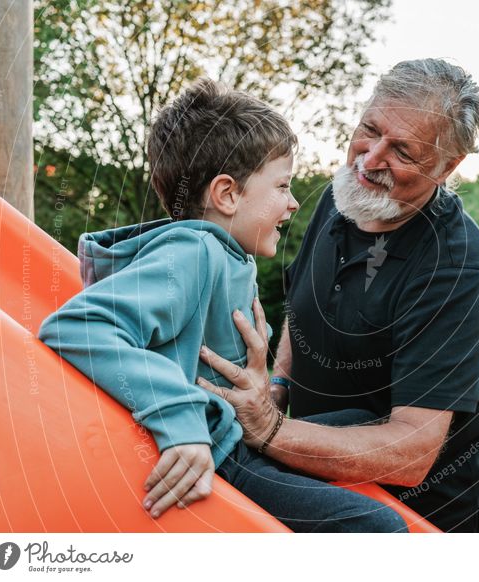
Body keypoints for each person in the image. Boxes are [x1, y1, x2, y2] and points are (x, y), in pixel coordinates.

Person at [38, 79, 407, 533]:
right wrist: (181, 421)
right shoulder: (193, 254)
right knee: (378, 528)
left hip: (232, 430)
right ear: (227, 194)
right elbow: (81, 326)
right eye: (282, 186)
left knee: (370, 421)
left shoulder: (226, 253)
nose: (293, 203)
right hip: (217, 452)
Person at [197, 59, 479, 532]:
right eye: (370, 129)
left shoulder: (454, 261)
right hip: (313, 478)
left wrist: (269, 429)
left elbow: (411, 454)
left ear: (448, 166)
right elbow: (303, 315)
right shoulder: (340, 198)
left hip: (422, 517)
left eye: (402, 150)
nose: (370, 158)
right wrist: (277, 389)